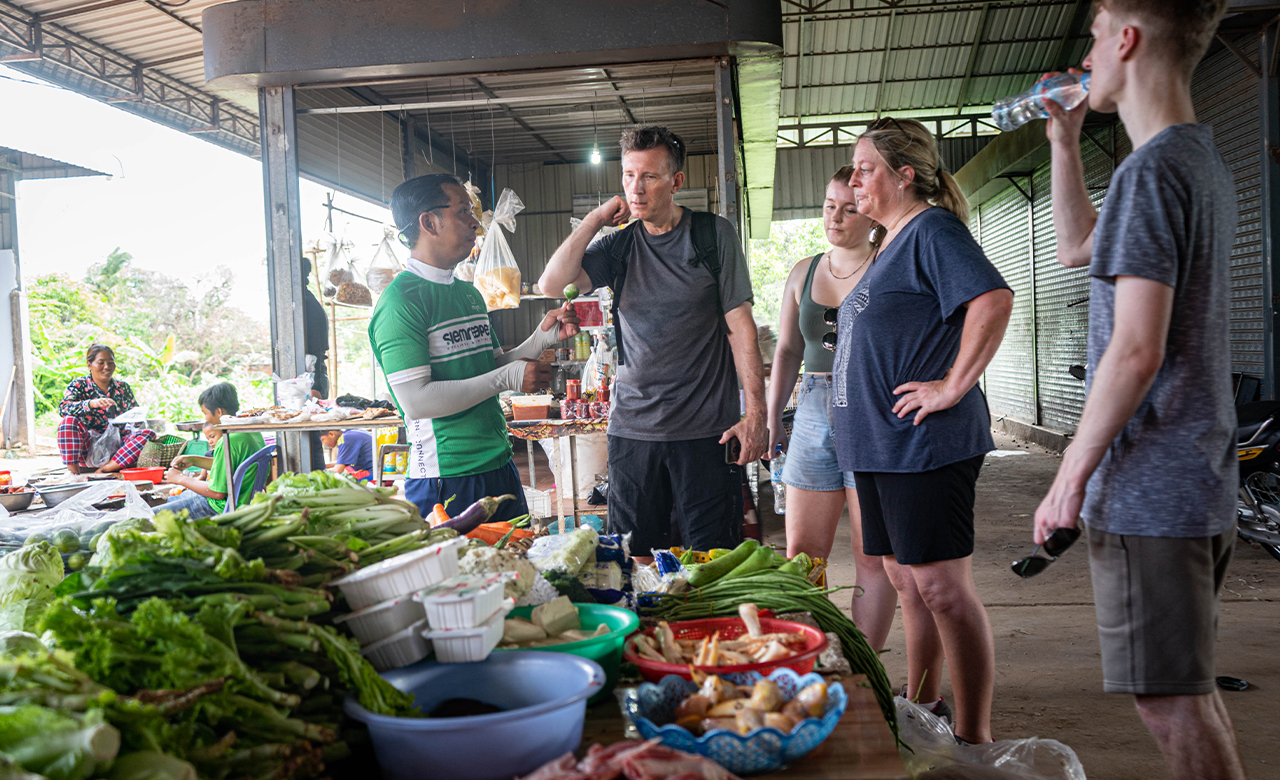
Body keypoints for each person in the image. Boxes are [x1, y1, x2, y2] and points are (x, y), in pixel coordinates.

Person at [1034, 3, 1244, 778]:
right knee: (1182, 688)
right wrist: (1062, 142)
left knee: (1168, 700)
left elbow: (1134, 349)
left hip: (1152, 483)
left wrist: (1067, 478)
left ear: (1125, 39)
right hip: (1194, 474)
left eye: (1093, 38)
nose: (1087, 57)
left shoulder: (1152, 172)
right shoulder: (1190, 160)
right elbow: (1071, 248)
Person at [839, 117, 1012, 743]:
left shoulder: (933, 230)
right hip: (882, 444)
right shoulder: (890, 241)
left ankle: (974, 738)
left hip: (924, 443)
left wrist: (952, 386)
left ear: (903, 174)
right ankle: (923, 702)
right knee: (906, 578)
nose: (855, 180)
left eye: (865, 169)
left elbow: (992, 300)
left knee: (942, 587)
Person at [538, 126, 766, 556]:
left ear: (676, 181)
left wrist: (756, 414)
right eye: (627, 176)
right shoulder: (619, 246)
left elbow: (741, 329)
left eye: (649, 177)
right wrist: (594, 220)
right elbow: (551, 281)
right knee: (634, 555)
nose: (635, 189)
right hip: (633, 431)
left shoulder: (712, 236)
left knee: (711, 556)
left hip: (706, 432)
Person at [369, 173, 580, 524]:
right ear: (428, 222)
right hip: (447, 477)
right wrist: (505, 379)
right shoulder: (400, 302)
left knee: (517, 570)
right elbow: (416, 401)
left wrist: (540, 339)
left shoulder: (467, 293)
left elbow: (490, 365)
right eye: (463, 211)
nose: (475, 224)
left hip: (498, 463)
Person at [765, 165, 897, 652]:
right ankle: (816, 656)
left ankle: (865, 664)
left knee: (872, 556)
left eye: (848, 207)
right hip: (813, 407)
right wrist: (775, 417)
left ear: (870, 212)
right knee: (803, 555)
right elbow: (786, 352)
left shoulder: (889, 263)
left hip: (871, 407)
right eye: (828, 206)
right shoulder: (804, 269)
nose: (835, 218)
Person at [163, 382, 266, 519]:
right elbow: (232, 465)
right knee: (175, 500)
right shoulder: (250, 432)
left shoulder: (228, 440)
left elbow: (217, 493)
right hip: (246, 501)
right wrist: (194, 460)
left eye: (205, 413)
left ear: (218, 411)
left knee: (153, 516)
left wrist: (179, 478)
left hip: (222, 507)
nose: (205, 418)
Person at [57, 344, 155, 474]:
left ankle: (106, 468)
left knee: (149, 434)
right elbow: (64, 408)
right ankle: (74, 474)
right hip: (87, 448)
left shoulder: (122, 388)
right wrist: (91, 404)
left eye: (110, 362)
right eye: (101, 362)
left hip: (117, 450)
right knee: (68, 422)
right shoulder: (78, 385)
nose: (107, 367)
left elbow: (134, 415)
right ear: (89, 364)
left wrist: (136, 419)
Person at [302, 256, 331, 472]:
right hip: (315, 377)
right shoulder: (307, 300)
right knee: (311, 441)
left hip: (314, 380)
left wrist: (315, 388)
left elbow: (316, 354)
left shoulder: (306, 305)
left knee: (311, 444)